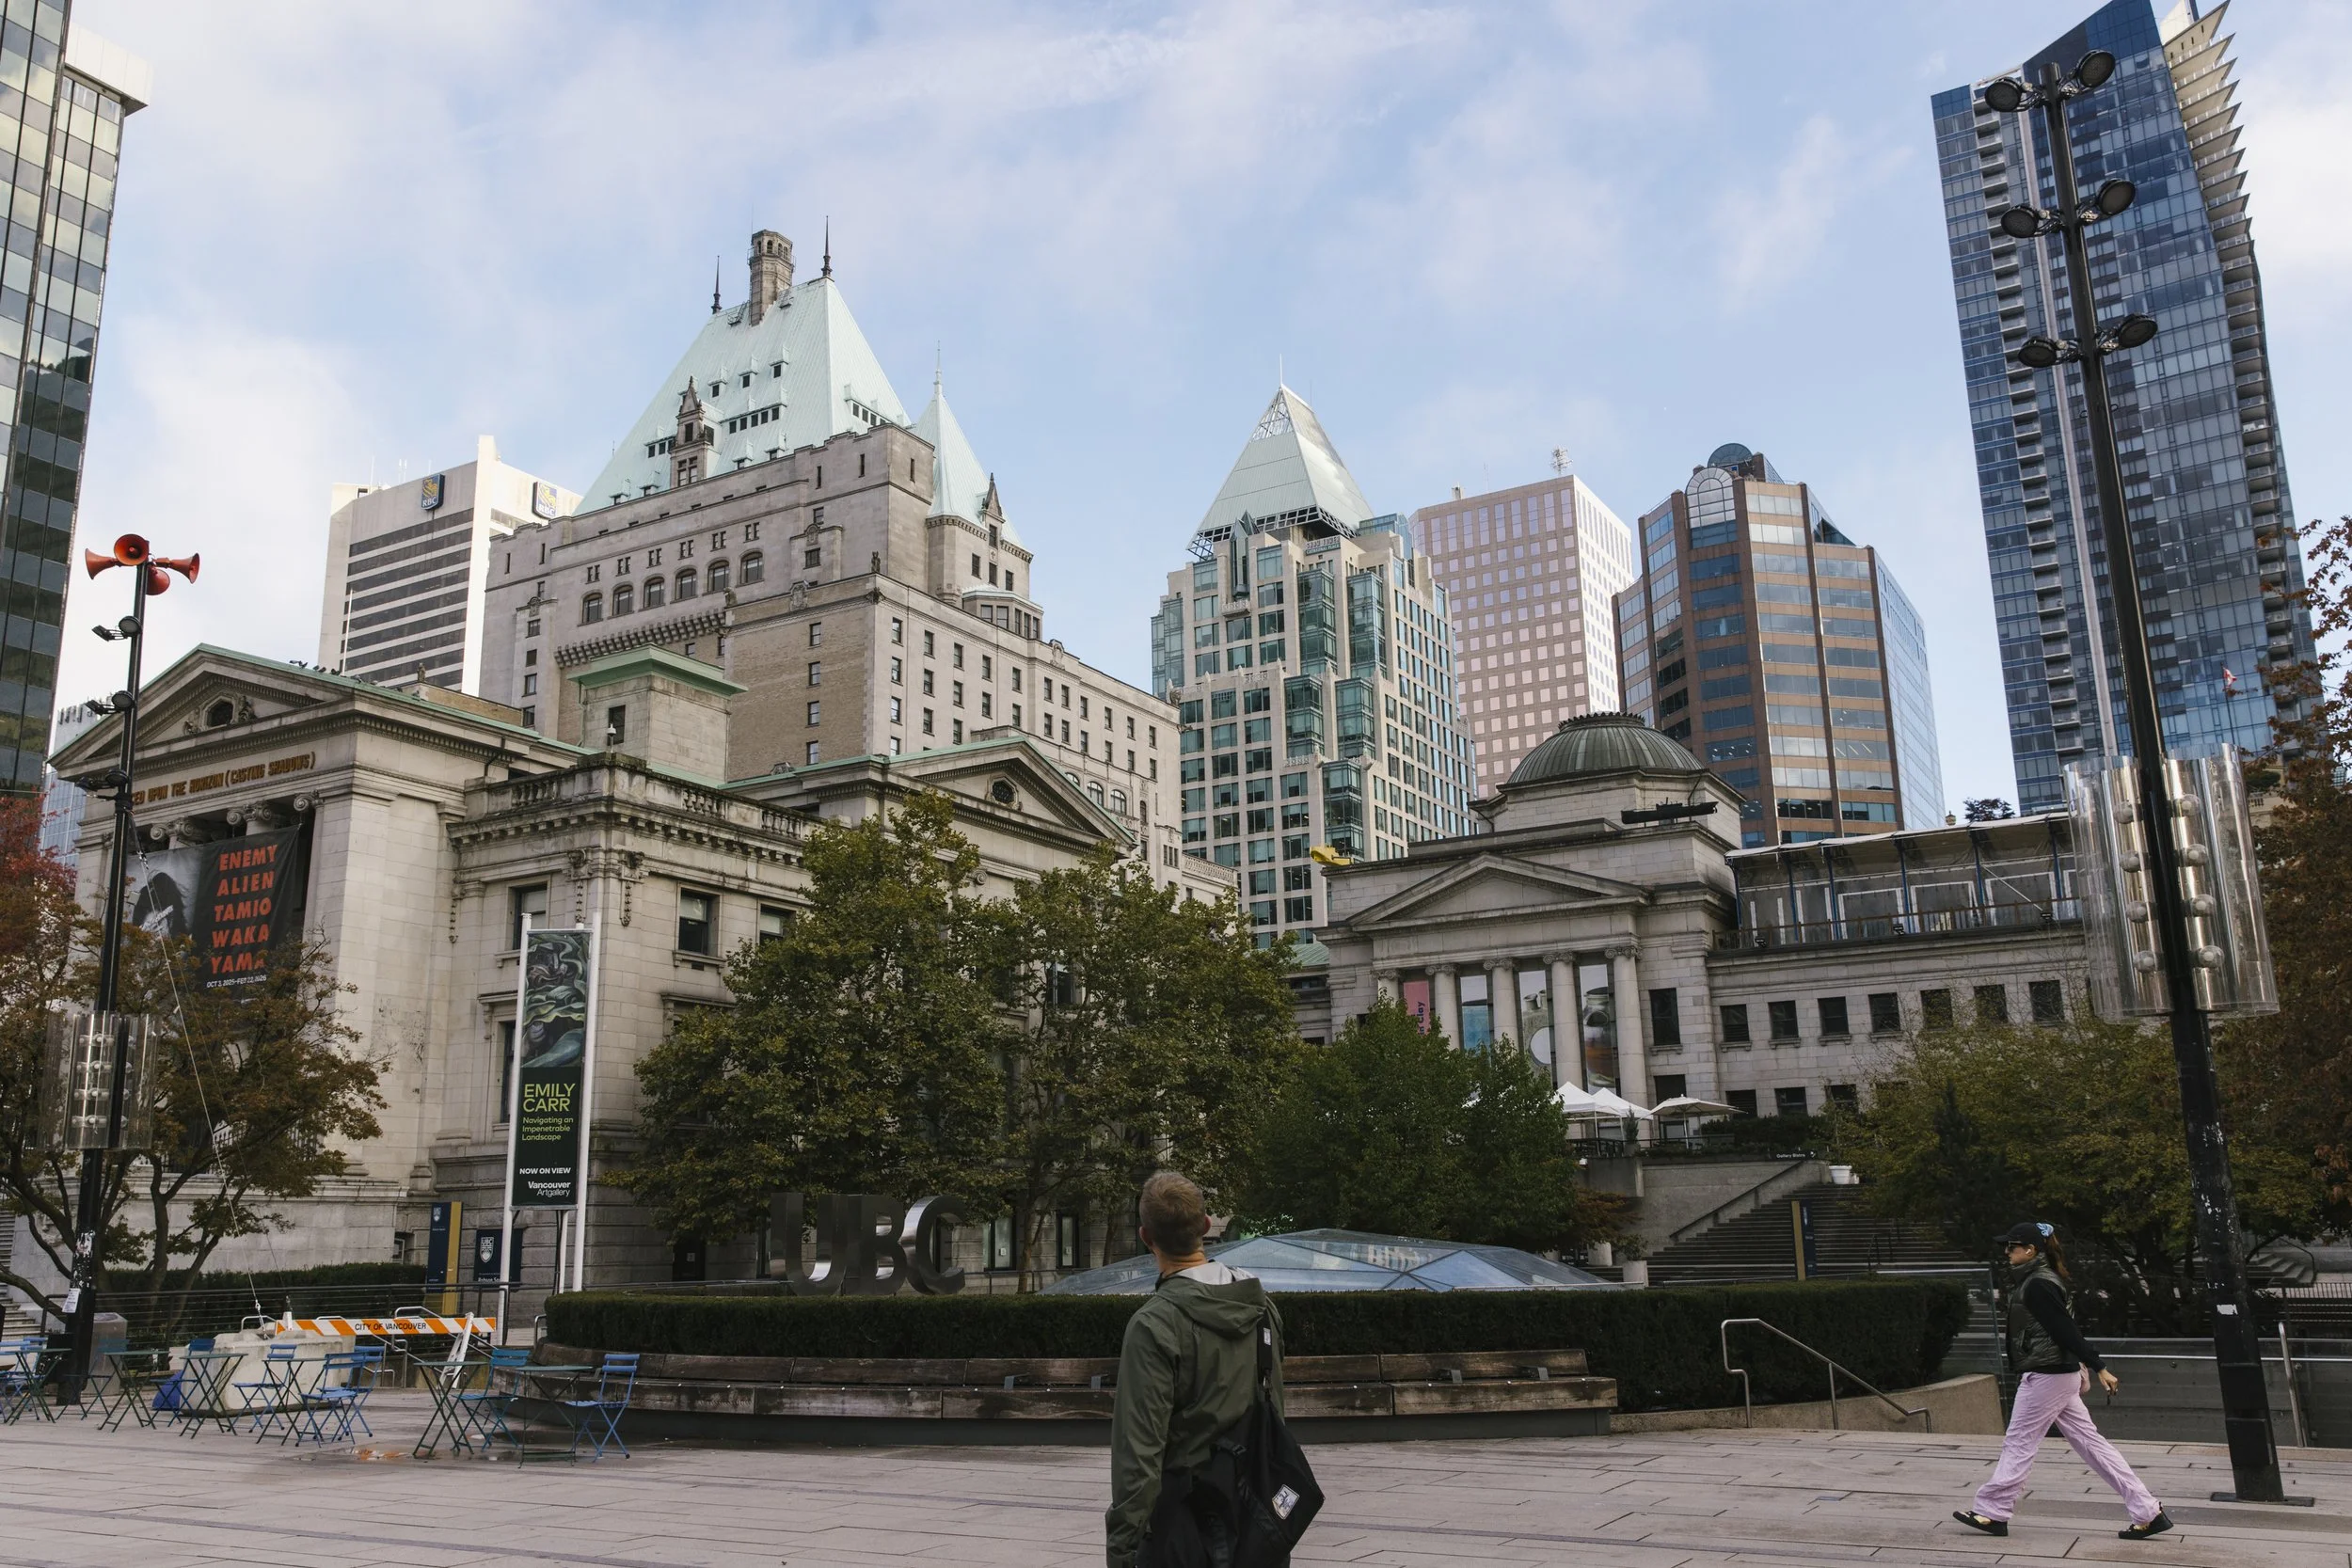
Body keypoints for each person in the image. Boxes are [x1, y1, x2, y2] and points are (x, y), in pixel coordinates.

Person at [1105, 1171, 1284, 1568]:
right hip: (1258, 1521)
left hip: (1186, 1530)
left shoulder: (1153, 1325)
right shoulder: (1260, 1307)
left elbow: (1139, 1455)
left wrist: (1123, 1549)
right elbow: (1275, 1412)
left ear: (1146, 1237)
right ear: (1205, 1226)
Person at [1954, 1221, 2172, 1541]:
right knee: (2092, 1445)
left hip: (2047, 1375)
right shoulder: (2037, 1280)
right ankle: (2147, 1511)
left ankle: (1992, 1511)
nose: (2006, 1252)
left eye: (2011, 1246)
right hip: (2057, 1374)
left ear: (2030, 1250)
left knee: (2019, 1441)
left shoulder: (2038, 1284)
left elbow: (2064, 1329)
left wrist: (2099, 1365)